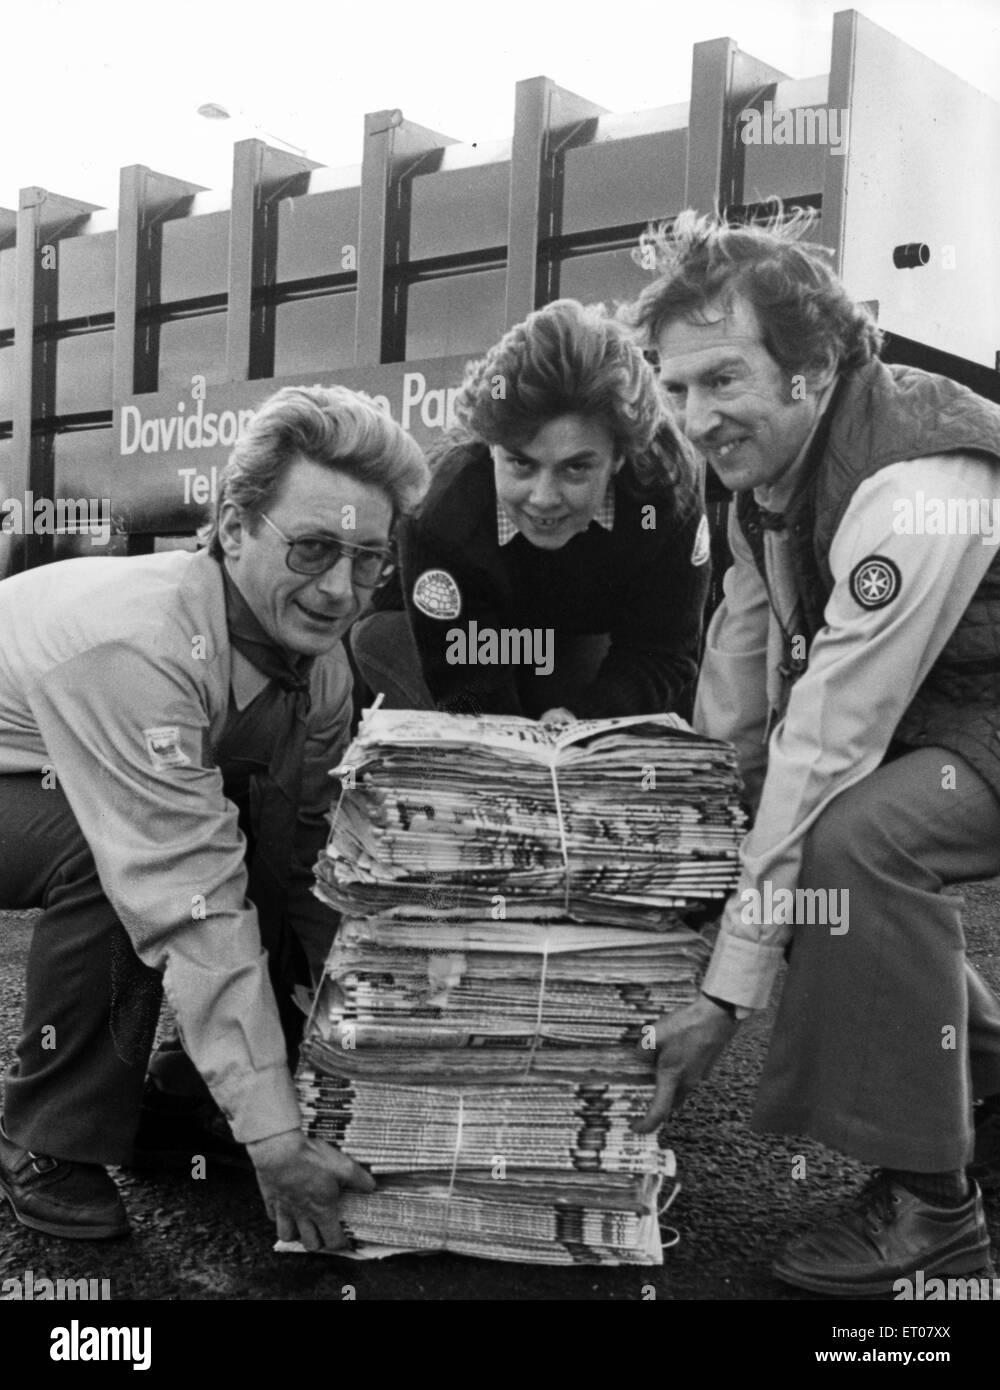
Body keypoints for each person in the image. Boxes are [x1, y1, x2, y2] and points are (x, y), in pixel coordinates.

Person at [627, 207, 1000, 1296]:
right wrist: (683, 859)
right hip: (962, 717)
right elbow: (737, 707)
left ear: (815, 366)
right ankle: (992, 1088)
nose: (694, 415)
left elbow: (828, 743)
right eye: (676, 384)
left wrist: (722, 993)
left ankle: (933, 1210)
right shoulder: (758, 493)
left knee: (849, 846)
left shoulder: (913, 490)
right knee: (795, 855)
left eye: (722, 380)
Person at [0, 384, 429, 1248]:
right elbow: (183, 890)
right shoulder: (140, 650)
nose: (339, 589)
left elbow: (310, 862)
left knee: (262, 837)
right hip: (26, 778)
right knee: (120, 855)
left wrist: (382, 1028)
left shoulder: (326, 670)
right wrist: (278, 1140)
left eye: (368, 560)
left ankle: (181, 1097)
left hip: (57, 769)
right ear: (233, 529)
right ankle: (47, 1136)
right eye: (311, 548)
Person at [353, 299, 710, 722]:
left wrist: (585, 720)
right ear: (489, 447)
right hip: (451, 637)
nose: (543, 498)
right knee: (386, 641)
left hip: (565, 637)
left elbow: (662, 651)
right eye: (521, 463)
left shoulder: (665, 495)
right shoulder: (442, 514)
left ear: (618, 458)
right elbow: (463, 678)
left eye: (576, 467)